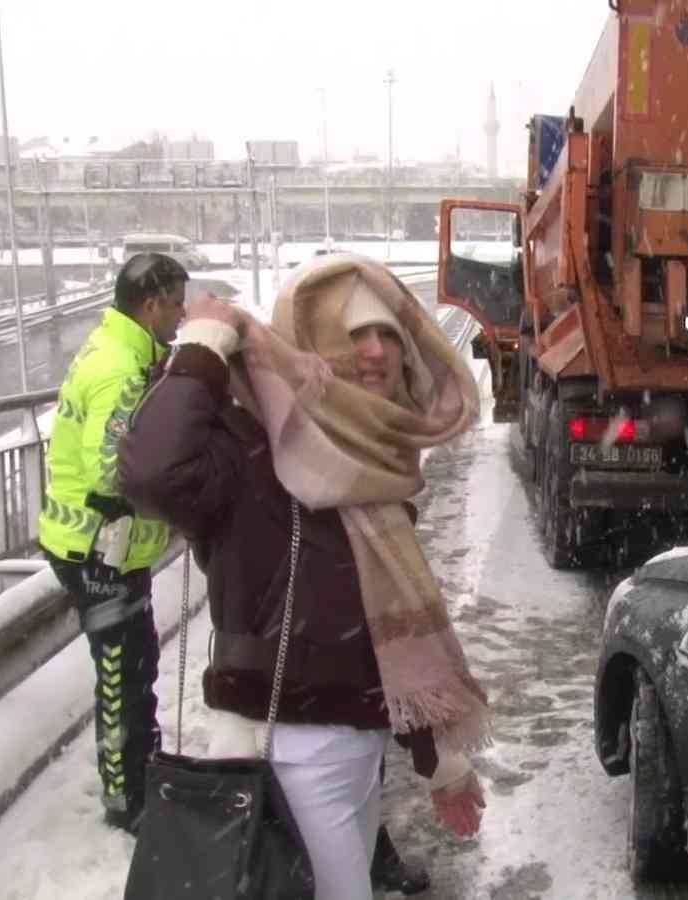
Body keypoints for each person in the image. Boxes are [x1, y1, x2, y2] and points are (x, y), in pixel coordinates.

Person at [119, 253, 487, 900]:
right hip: (275, 751)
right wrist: (205, 345)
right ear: (306, 343)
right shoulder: (249, 443)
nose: (375, 353)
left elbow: (389, 634)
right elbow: (153, 472)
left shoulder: (373, 457)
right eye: (352, 335)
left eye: (388, 335)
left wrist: (439, 761)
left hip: (357, 750)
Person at [37, 251, 185, 833]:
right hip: (99, 552)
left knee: (137, 662)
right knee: (122, 677)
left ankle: (142, 773)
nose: (182, 314)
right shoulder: (123, 368)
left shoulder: (122, 346)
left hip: (107, 548)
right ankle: (127, 802)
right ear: (150, 306)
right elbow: (112, 472)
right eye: (175, 304)